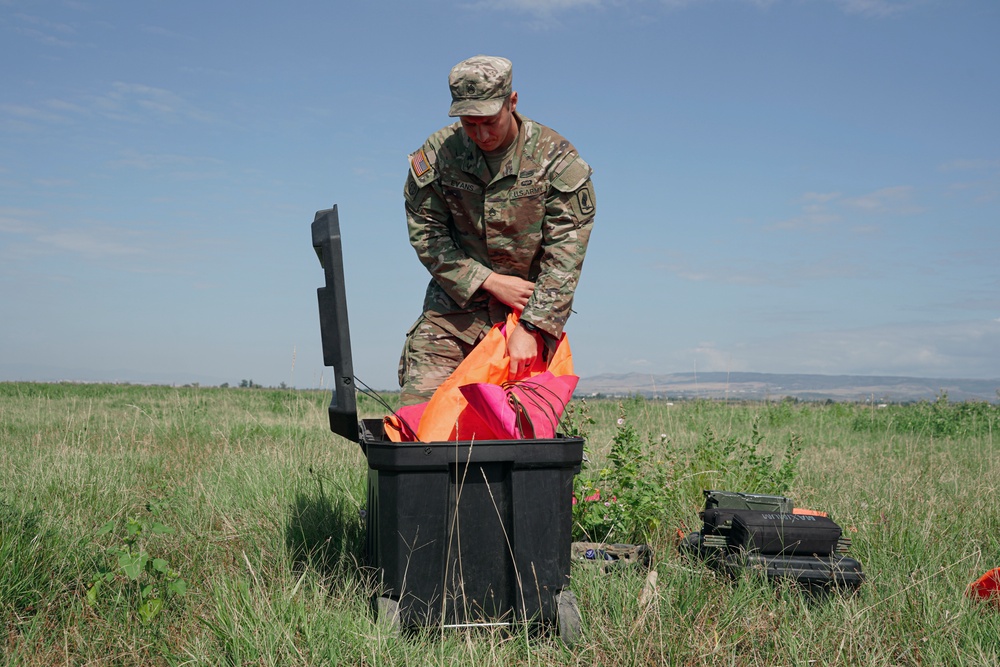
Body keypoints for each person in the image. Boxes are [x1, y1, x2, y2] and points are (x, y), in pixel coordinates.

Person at [398, 55, 596, 406]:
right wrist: (489, 281)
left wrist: (533, 328)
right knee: (420, 419)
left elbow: (564, 256)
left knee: (515, 432)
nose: (481, 135)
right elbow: (427, 234)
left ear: (512, 101)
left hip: (527, 313)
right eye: (469, 124)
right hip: (454, 312)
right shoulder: (439, 155)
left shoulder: (555, 159)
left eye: (490, 121)